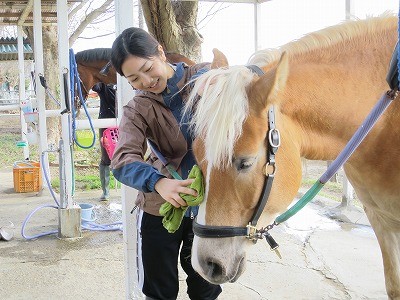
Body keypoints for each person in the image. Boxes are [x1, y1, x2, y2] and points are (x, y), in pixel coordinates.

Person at [110, 28, 222, 300]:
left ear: (160, 52)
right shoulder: (137, 109)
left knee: (206, 288)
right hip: (158, 207)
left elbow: (255, 89)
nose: (146, 81)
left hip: (209, 207)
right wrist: (158, 183)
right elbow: (123, 159)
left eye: (148, 69)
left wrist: (223, 81)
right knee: (159, 291)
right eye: (134, 79)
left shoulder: (206, 77)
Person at [92, 82, 116, 201]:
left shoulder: (125, 81)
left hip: (124, 122)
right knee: (105, 159)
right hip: (105, 124)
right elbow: (95, 86)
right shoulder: (104, 85)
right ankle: (106, 191)